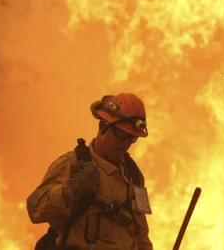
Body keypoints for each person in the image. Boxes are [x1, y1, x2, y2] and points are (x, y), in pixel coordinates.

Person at [27, 93, 154, 250]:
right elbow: (35, 209)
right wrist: (70, 190)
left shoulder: (133, 175)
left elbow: (140, 232)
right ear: (103, 126)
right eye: (121, 134)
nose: (126, 143)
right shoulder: (72, 164)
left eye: (132, 138)